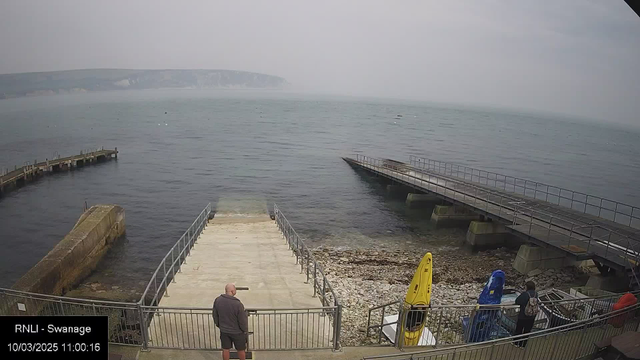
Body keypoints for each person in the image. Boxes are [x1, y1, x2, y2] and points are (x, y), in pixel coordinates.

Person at [213, 283, 249, 360]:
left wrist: (219, 325)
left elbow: (215, 315)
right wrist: (244, 330)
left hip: (224, 330)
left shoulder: (218, 300)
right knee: (241, 349)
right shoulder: (237, 304)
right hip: (237, 332)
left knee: (225, 349)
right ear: (232, 291)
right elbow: (242, 320)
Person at [514, 281, 538, 347]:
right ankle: (523, 345)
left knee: (519, 330)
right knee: (527, 331)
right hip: (532, 316)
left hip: (523, 316)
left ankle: (516, 343)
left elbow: (517, 301)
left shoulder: (525, 294)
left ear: (527, 287)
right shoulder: (536, 294)